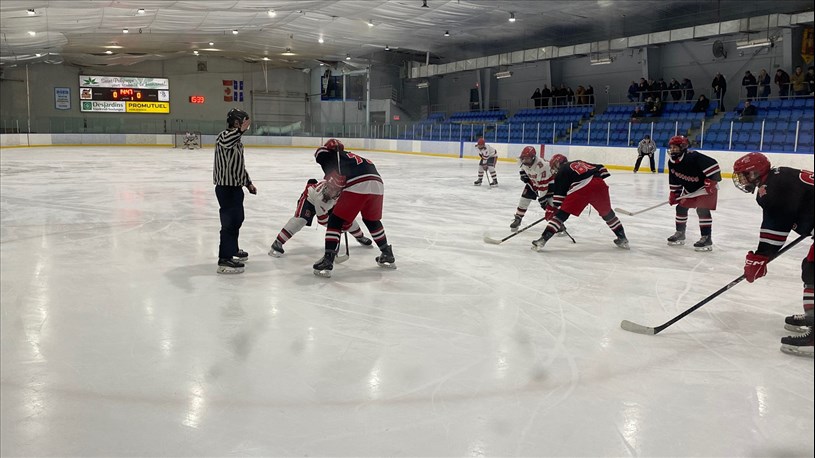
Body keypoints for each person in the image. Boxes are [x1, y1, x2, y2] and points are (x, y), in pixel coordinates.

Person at [732, 152, 813, 356]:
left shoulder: (774, 187)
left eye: (743, 175)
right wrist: (762, 256)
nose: (741, 180)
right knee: (810, 268)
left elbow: (777, 225)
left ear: (755, 172)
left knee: (813, 270)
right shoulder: (778, 179)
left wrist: (761, 256)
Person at [312, 138, 395, 277]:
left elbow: (320, 154)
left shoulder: (332, 155)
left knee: (335, 221)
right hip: (378, 184)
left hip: (358, 182)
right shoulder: (352, 157)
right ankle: (387, 252)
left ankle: (328, 259)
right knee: (371, 220)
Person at [532, 154, 629, 251]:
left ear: (557, 164)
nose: (553, 169)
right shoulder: (579, 162)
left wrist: (553, 210)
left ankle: (542, 240)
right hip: (599, 184)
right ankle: (622, 238)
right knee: (607, 213)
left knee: (561, 215)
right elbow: (601, 168)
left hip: (581, 188)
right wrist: (593, 186)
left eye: (553, 166)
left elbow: (558, 201)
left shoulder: (561, 172)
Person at [269, 175, 372, 257]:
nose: (329, 191)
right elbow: (322, 221)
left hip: (331, 203)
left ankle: (360, 236)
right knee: (300, 220)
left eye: (333, 189)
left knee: (347, 219)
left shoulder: (344, 193)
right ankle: (278, 242)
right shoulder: (321, 198)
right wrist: (337, 227)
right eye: (329, 187)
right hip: (309, 199)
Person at [213, 108, 256, 274]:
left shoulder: (237, 142)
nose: (247, 125)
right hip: (226, 188)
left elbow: (239, 166)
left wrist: (248, 183)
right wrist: (240, 131)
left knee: (237, 219)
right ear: (237, 122)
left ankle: (233, 249)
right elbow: (227, 140)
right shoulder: (223, 136)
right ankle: (224, 259)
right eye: (244, 122)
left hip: (236, 188)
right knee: (229, 223)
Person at [665, 135, 721, 251]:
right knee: (681, 208)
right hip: (690, 190)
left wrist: (711, 181)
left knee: (702, 210)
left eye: (675, 147)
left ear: (683, 147)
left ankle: (706, 237)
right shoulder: (672, 162)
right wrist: (674, 193)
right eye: (671, 147)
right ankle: (680, 233)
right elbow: (674, 179)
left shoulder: (693, 157)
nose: (672, 150)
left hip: (704, 189)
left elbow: (714, 165)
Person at [509, 146, 566, 234]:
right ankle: (518, 218)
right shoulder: (523, 161)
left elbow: (543, 186)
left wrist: (542, 199)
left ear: (533, 158)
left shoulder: (542, 166)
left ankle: (558, 223)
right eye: (523, 158)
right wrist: (522, 173)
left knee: (550, 204)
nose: (524, 160)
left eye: (527, 159)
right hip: (533, 182)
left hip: (549, 183)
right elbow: (522, 167)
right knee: (524, 199)